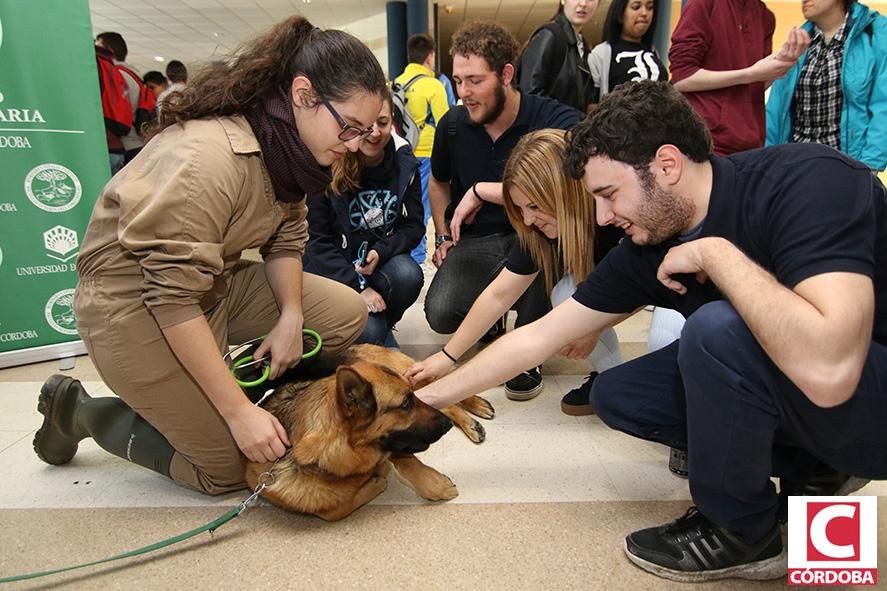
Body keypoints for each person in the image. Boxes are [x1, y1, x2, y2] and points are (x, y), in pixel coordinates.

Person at [412, 81, 885, 582]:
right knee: (621, 394)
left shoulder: (810, 181)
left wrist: (714, 254)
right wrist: (428, 397)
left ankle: (740, 531)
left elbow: (832, 367)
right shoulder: (647, 245)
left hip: (866, 394)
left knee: (715, 330)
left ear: (667, 165)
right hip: (809, 396)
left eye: (609, 195)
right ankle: (813, 471)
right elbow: (538, 337)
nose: (602, 217)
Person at [33, 17, 387, 496]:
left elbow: (285, 240)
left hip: (209, 289)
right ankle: (79, 410)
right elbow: (170, 300)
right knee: (226, 468)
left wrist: (290, 316)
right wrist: (239, 415)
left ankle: (203, 399)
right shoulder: (207, 160)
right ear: (303, 94)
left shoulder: (287, 148)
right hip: (132, 309)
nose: (352, 145)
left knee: (345, 314)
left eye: (363, 131)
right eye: (349, 128)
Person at [407, 129, 623, 414]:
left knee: (667, 335)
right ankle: (614, 378)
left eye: (534, 206)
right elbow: (500, 294)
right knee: (567, 296)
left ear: (565, 191)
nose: (528, 219)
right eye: (521, 209)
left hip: (686, 289)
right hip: (635, 282)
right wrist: (448, 356)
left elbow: (647, 284)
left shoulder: (616, 214)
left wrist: (594, 325)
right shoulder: (540, 227)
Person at [426, 21, 581, 401]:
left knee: (542, 250)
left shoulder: (553, 120)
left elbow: (571, 183)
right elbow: (438, 181)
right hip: (478, 239)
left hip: (534, 233)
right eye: (458, 81)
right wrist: (445, 234)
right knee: (441, 312)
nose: (464, 93)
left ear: (507, 75)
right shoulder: (453, 127)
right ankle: (490, 324)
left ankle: (527, 353)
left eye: (475, 81)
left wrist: (484, 191)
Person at [304, 90, 424, 346]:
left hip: (375, 262)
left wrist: (382, 251)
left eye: (382, 122)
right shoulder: (330, 158)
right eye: (365, 125)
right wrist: (357, 287)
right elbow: (315, 243)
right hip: (335, 272)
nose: (374, 132)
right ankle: (373, 331)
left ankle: (379, 324)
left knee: (408, 275)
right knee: (368, 332)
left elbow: (413, 226)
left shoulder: (404, 161)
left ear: (392, 119)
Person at [669, 0, 810, 155]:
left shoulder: (764, 16)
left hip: (751, 144)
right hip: (706, 142)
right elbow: (681, 78)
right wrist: (750, 74)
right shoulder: (704, 4)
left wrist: (781, 63)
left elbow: (755, 85)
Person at [766, 0, 887, 172]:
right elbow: (775, 112)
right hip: (795, 170)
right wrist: (770, 166)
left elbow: (884, 106)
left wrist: (868, 168)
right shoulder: (798, 41)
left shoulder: (876, 32)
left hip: (848, 169)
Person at [393, 34, 450, 265]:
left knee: (405, 207)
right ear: (430, 56)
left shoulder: (397, 81)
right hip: (427, 153)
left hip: (402, 152)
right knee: (423, 209)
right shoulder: (434, 86)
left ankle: (407, 255)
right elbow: (446, 122)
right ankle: (416, 258)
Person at [518, 0, 598, 112]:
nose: (583, 3)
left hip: (570, 127)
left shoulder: (583, 46)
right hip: (549, 127)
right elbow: (529, 95)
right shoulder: (549, 35)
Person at [588, 0, 667, 103]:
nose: (644, 13)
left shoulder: (653, 52)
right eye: (636, 7)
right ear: (620, 14)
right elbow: (590, 105)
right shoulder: (601, 54)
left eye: (650, 8)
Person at [96, 32, 146, 164]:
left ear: (109, 50)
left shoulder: (115, 75)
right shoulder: (134, 75)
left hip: (124, 142)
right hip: (137, 141)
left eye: (98, 44)